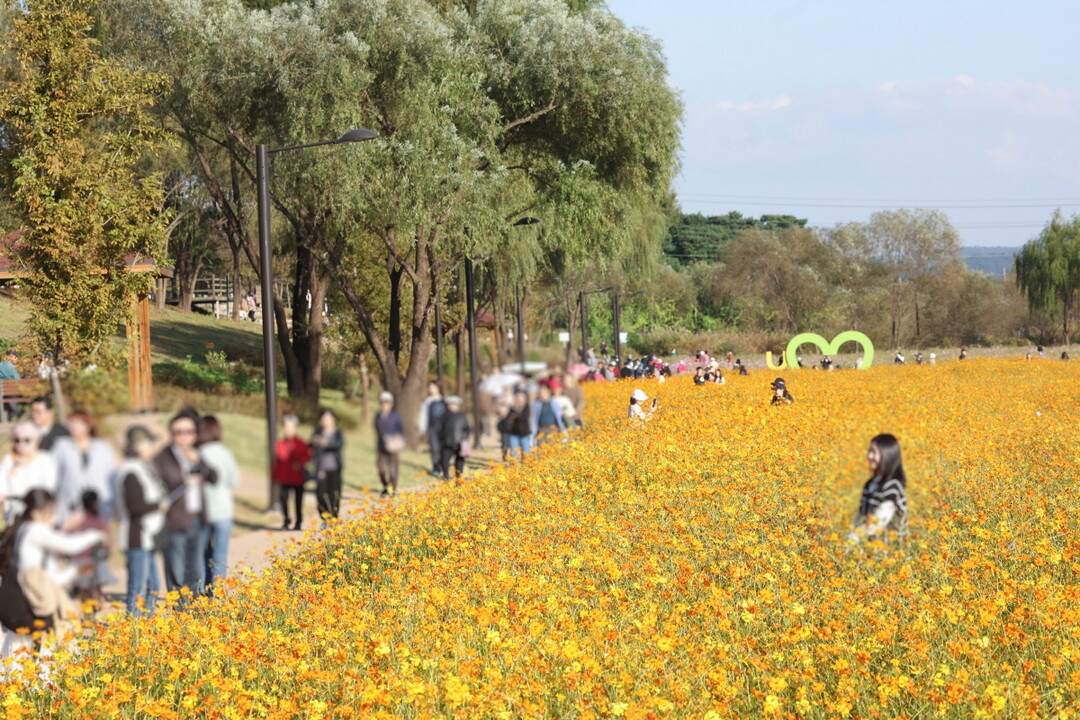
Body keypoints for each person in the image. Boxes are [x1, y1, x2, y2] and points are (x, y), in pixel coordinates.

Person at [0, 489, 105, 659]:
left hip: (20, 600)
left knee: (20, 651)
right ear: (36, 512)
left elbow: (49, 578)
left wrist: (75, 569)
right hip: (29, 602)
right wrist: (96, 535)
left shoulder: (23, 528)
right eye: (50, 511)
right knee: (33, 651)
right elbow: (68, 546)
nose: (53, 516)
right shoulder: (34, 530)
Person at [154, 409, 218, 601]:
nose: (184, 436)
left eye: (189, 432)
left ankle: (192, 607)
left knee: (195, 568)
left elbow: (214, 477)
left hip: (197, 519)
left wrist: (199, 462)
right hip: (174, 521)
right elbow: (159, 489)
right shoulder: (162, 458)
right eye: (179, 432)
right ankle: (179, 609)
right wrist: (184, 481)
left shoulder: (196, 455)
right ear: (172, 434)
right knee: (176, 569)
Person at [114, 425, 166, 616]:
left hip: (148, 537)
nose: (152, 447)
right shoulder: (130, 471)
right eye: (148, 443)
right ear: (136, 446)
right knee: (138, 588)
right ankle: (134, 626)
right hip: (136, 536)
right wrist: (160, 505)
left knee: (153, 585)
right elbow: (135, 506)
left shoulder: (143, 467)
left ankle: (147, 625)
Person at [197, 415, 239, 593]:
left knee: (202, 554)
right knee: (220, 556)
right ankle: (218, 595)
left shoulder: (197, 453)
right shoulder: (225, 453)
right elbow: (233, 480)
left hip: (202, 512)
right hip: (223, 511)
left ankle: (201, 591)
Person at [52, 411, 117, 524]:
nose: (73, 427)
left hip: (99, 504)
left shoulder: (101, 447)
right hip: (71, 504)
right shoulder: (61, 446)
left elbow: (111, 474)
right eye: (71, 423)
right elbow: (53, 473)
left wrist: (115, 502)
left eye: (78, 423)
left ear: (88, 426)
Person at [849, 434, 908, 546]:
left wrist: (853, 537)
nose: (869, 456)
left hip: (890, 549)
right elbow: (861, 516)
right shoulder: (870, 484)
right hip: (870, 546)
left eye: (874, 452)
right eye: (869, 451)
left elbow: (879, 521)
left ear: (887, 455)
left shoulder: (893, 486)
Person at [0, 421, 58, 525]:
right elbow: (2, 482)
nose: (21, 444)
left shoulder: (45, 460)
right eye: (17, 440)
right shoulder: (9, 460)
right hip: (13, 511)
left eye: (27, 440)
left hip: (37, 510)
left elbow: (49, 486)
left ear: (36, 441)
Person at [61, 490, 115, 604]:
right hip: (92, 559)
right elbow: (107, 537)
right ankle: (93, 604)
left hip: (79, 559)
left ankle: (88, 603)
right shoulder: (97, 519)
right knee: (94, 587)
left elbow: (63, 533)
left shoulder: (75, 517)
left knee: (85, 590)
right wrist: (108, 550)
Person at [274, 415, 311, 531]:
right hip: (284, 477)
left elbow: (308, 456)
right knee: (283, 499)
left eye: (289, 427)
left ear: (295, 428)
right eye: (285, 427)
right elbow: (278, 460)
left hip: (297, 478)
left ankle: (298, 521)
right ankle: (286, 519)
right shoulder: (279, 443)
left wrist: (300, 463)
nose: (287, 429)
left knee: (298, 500)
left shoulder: (300, 443)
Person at [310, 408, 345, 521]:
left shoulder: (338, 433)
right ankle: (325, 518)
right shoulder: (317, 432)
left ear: (333, 420)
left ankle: (333, 518)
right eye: (324, 418)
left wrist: (326, 443)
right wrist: (314, 442)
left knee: (334, 495)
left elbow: (339, 445)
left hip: (335, 469)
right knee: (320, 495)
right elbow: (310, 446)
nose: (326, 420)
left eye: (328, 418)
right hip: (321, 468)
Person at [374, 392, 405, 498]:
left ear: (391, 404)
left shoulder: (395, 416)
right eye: (382, 403)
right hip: (381, 446)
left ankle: (393, 489)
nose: (384, 405)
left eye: (387, 403)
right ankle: (386, 486)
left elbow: (400, 429)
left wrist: (394, 438)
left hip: (393, 447)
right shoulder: (378, 416)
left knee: (393, 470)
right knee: (381, 469)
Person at [435, 396, 470, 480]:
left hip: (459, 442)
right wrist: (441, 439)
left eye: (454, 404)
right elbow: (438, 429)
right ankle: (445, 475)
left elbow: (467, 428)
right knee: (444, 460)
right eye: (451, 404)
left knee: (459, 461)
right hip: (447, 443)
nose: (452, 406)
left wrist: (464, 438)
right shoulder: (443, 416)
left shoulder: (462, 416)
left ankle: (459, 476)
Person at [417, 382, 447, 477]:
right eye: (429, 387)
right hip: (432, 428)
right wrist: (422, 427)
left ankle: (443, 468)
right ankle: (436, 468)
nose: (431, 389)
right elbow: (423, 414)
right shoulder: (428, 401)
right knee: (434, 448)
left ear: (438, 387)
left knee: (443, 449)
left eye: (433, 387)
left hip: (444, 429)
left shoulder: (444, 400)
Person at [502, 390, 533, 460]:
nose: (519, 399)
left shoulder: (526, 406)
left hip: (524, 433)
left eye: (521, 397)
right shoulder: (513, 407)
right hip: (514, 432)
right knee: (514, 452)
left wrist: (516, 415)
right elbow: (508, 417)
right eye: (517, 397)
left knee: (526, 452)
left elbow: (524, 418)